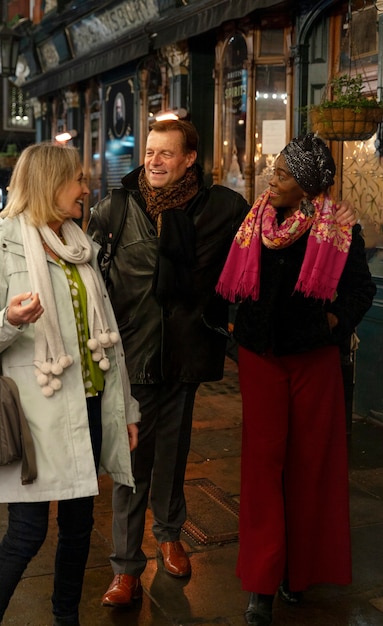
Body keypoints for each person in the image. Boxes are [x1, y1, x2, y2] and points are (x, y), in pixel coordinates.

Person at [88, 120, 358, 608]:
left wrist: (234, 336)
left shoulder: (226, 210)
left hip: (188, 356)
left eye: (165, 153)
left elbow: (237, 282)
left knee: (173, 456)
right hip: (133, 355)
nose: (153, 160)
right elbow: (93, 281)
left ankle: (169, 536)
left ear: (189, 158)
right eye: (149, 152)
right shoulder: (117, 208)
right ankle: (125, 568)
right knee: (131, 465)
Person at [0, 141, 140, 626]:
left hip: (91, 405)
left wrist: (128, 411)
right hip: (32, 416)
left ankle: (67, 618)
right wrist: (10, 320)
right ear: (48, 184)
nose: (86, 188)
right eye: (78, 179)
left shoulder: (81, 246)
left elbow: (108, 338)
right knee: (27, 533)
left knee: (80, 527)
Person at [216, 133, 376, 626]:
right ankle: (262, 583)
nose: (272, 179)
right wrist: (235, 330)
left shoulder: (338, 229)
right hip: (261, 359)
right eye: (275, 171)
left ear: (306, 186)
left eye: (283, 174)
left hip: (313, 361)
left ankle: (298, 572)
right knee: (264, 467)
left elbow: (360, 290)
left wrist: (332, 323)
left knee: (310, 466)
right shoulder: (255, 219)